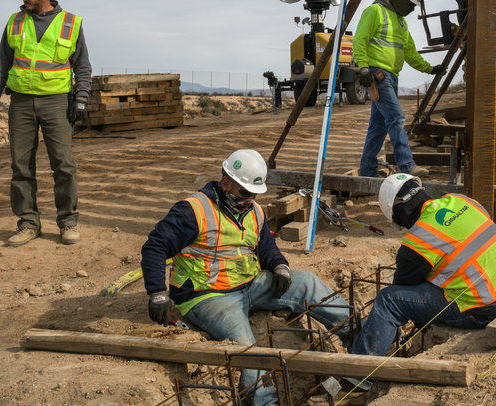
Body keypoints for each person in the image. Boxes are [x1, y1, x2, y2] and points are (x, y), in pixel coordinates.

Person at [141, 149, 351, 406]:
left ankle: (359, 340)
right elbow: (155, 246)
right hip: (208, 296)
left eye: (254, 194)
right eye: (244, 192)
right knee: (249, 350)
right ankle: (266, 402)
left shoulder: (255, 211)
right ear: (225, 182)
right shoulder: (193, 210)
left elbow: (266, 248)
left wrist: (280, 267)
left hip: (251, 284)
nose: (249, 199)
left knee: (305, 281)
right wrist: (157, 293)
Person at [347, 173, 496, 389]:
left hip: (486, 306)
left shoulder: (417, 240)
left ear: (399, 214)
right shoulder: (463, 201)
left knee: (388, 301)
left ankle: (356, 379)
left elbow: (402, 289)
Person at [0, 0, 92, 247]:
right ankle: (28, 223)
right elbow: (1, 62)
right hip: (21, 102)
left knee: (63, 166)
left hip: (57, 102)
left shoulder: (71, 22)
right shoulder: (15, 21)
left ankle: (68, 221)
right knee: (21, 166)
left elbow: (82, 66)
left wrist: (81, 98)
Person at [354, 0, 446, 179]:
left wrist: (430, 69)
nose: (413, 9)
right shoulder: (375, 11)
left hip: (391, 78)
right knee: (396, 117)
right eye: (412, 5)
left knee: (378, 127)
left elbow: (410, 53)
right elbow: (359, 39)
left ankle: (368, 171)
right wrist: (362, 67)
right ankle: (407, 165)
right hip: (378, 76)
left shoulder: (402, 23)